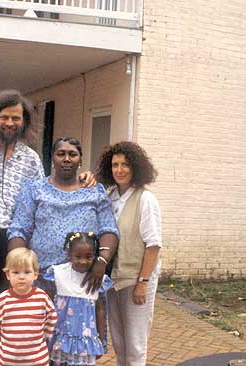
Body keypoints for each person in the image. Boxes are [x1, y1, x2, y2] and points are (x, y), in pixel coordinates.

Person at [0, 91, 95, 366]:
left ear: (24, 122)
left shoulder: (31, 158)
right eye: (4, 117)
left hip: (7, 246)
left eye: (16, 118)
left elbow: (45, 193)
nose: (10, 123)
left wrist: (83, 176)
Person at [7, 136, 119, 296]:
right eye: (61, 154)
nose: (67, 159)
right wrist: (19, 269)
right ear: (52, 158)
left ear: (80, 160)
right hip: (41, 278)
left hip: (84, 279)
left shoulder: (95, 192)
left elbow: (109, 230)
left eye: (72, 154)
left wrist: (101, 261)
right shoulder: (34, 190)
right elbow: (19, 230)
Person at [96, 141, 162, 366]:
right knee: (119, 341)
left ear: (136, 167)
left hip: (135, 281)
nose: (120, 170)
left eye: (125, 164)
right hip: (114, 279)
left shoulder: (146, 199)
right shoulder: (110, 195)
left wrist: (143, 282)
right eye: (115, 165)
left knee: (135, 343)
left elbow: (153, 245)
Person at [44, 231, 113, 366]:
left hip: (85, 340)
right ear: (69, 254)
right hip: (60, 337)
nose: (83, 261)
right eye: (78, 256)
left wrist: (100, 339)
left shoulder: (96, 279)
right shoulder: (58, 274)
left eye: (88, 257)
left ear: (95, 256)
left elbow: (100, 310)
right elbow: (49, 304)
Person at [0, 247, 57, 366]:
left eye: (27, 272)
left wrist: (45, 335)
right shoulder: (2, 300)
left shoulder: (42, 298)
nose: (21, 277)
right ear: (8, 275)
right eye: (16, 272)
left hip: (37, 359)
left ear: (35, 274)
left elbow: (52, 316)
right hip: (7, 359)